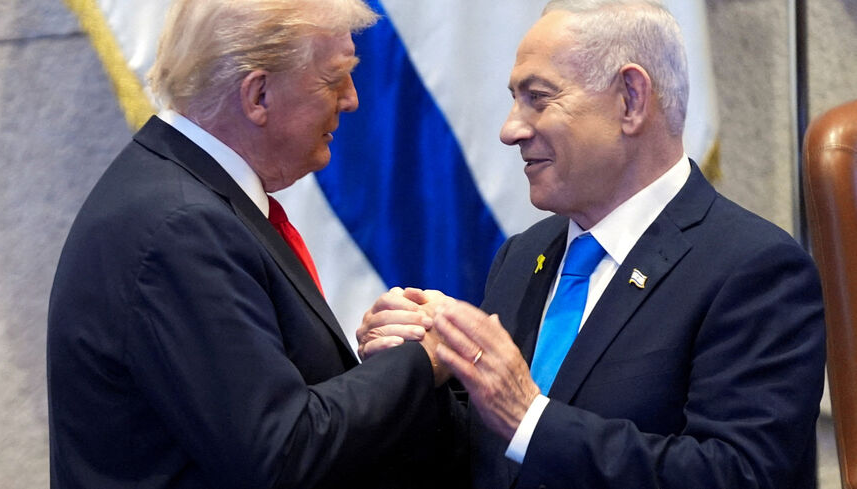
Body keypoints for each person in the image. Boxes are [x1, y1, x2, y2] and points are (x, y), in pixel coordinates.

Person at [359, 1, 826, 488]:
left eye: (537, 98)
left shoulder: (754, 270)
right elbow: (489, 460)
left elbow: (739, 475)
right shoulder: (524, 255)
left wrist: (529, 419)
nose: (510, 129)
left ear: (630, 99)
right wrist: (416, 374)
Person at [46, 1, 457, 488]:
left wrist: (376, 364)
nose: (351, 99)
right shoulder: (183, 228)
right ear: (258, 94)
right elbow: (281, 453)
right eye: (334, 78)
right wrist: (419, 359)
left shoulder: (188, 197)